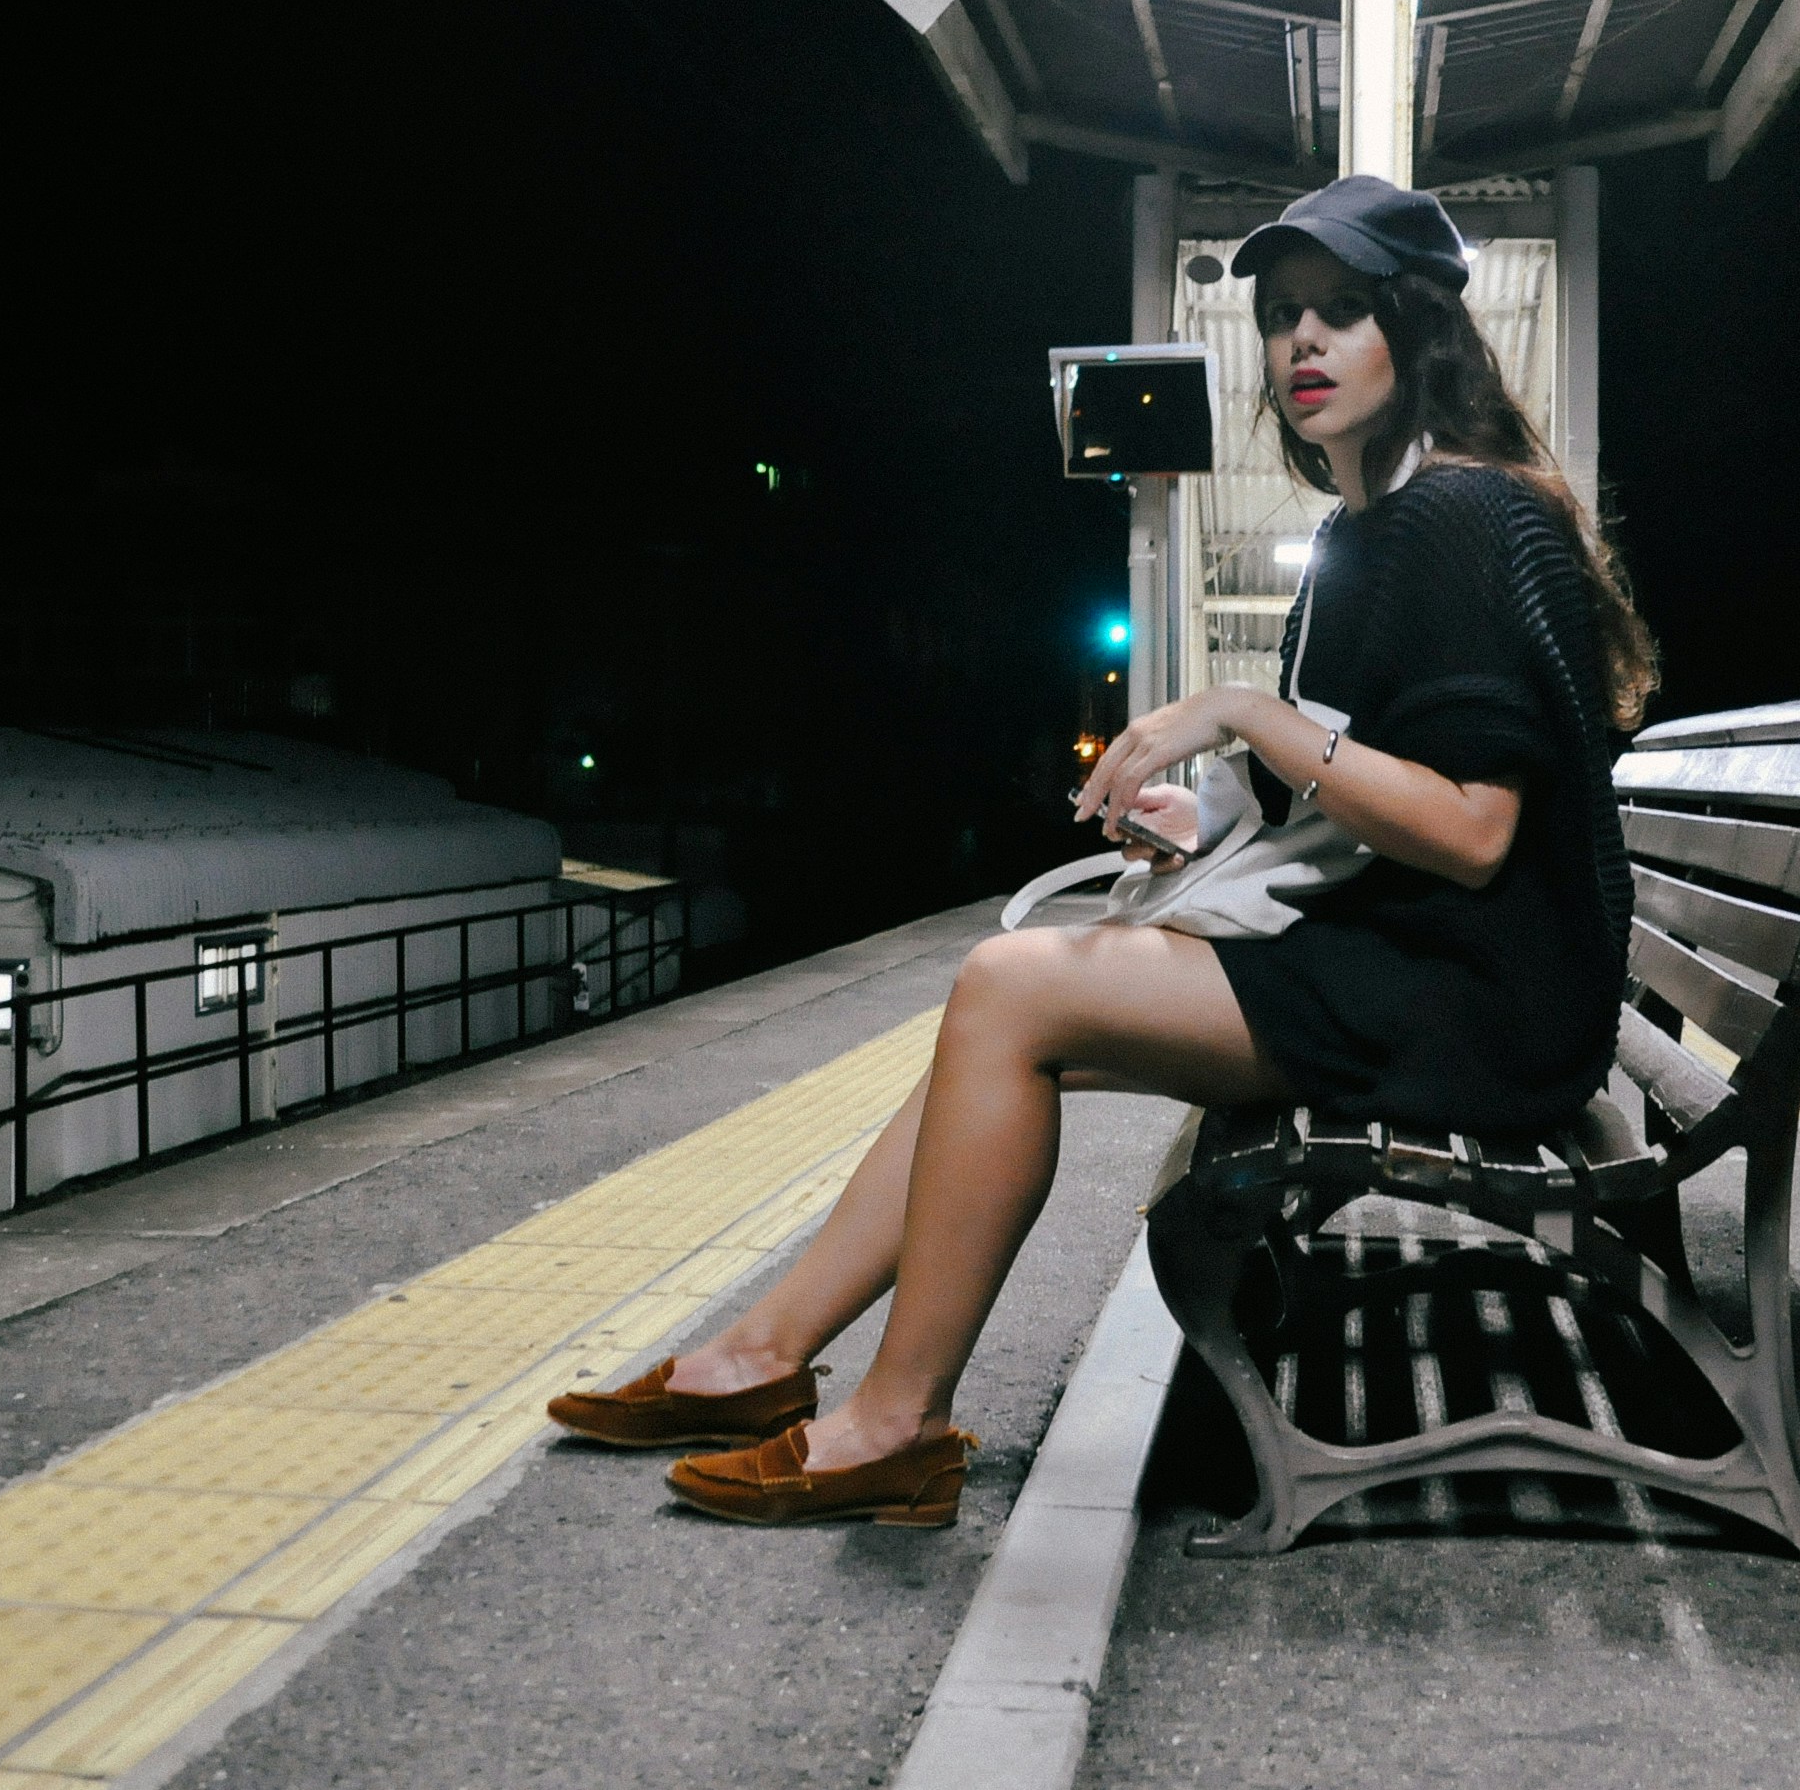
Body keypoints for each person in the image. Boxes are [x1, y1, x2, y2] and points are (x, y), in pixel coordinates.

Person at [545, 175, 1657, 1527]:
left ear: (1418, 335)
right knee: (1001, 1005)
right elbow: (1360, 799)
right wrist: (1198, 820)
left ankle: (892, 1421)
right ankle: (760, 1357)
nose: (1300, 344)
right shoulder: (1380, 532)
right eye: (1282, 317)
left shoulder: (1466, 518)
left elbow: (1476, 834)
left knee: (1012, 989)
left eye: (1343, 314)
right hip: (1414, 965)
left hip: (1479, 1002)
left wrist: (1241, 709)